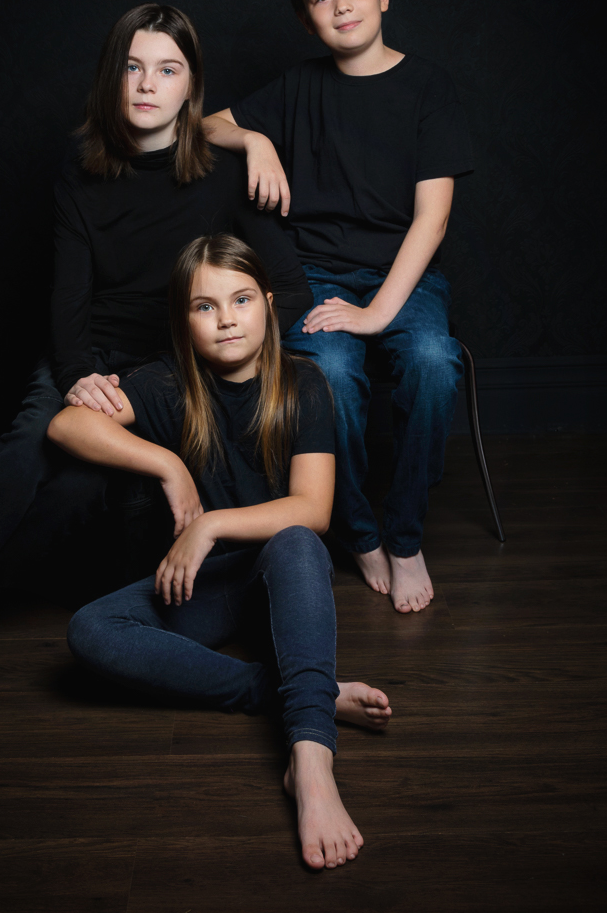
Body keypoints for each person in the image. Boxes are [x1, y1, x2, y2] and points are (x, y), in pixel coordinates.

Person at [0, 4, 311, 686]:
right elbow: (67, 301)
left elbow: (288, 288)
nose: (146, 84)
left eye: (166, 70)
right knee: (30, 448)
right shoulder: (79, 176)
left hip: (174, 365)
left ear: (190, 87)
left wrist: (220, 361)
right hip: (92, 353)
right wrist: (79, 373)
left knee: (79, 487)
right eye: (132, 68)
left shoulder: (226, 173)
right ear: (112, 78)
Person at [48, 235, 392, 870]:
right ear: (183, 322)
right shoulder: (167, 385)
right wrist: (168, 464)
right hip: (208, 587)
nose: (227, 318)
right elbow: (65, 425)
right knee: (90, 630)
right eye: (205, 306)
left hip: (281, 575)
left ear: (267, 304)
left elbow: (312, 511)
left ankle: (311, 761)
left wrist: (208, 526)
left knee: (295, 541)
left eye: (240, 300)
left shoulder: (305, 383)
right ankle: (300, 692)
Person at [204, 0, 473, 614]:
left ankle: (405, 533)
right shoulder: (299, 87)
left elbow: (432, 218)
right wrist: (256, 138)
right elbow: (206, 126)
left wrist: (379, 310)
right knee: (332, 376)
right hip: (316, 275)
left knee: (435, 362)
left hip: (403, 280)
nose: (342, 6)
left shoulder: (428, 88)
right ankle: (358, 531)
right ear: (305, 16)